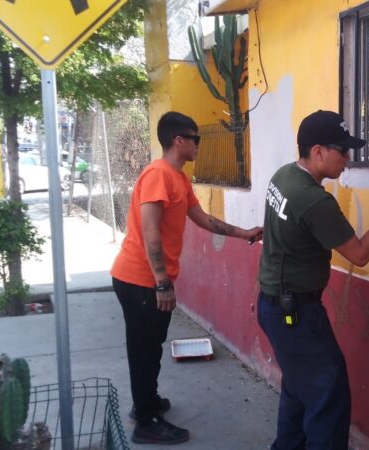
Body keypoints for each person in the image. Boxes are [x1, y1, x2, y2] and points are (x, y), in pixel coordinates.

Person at [257, 110, 369, 449]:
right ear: (317, 151)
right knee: (328, 394)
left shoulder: (283, 176)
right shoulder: (313, 200)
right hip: (295, 312)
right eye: (341, 150)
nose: (347, 159)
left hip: (276, 305)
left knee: (300, 389)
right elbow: (358, 254)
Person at [111, 111, 263, 445]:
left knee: (151, 346)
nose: (199, 145)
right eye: (196, 138)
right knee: (144, 350)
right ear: (179, 141)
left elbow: (204, 220)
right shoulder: (158, 175)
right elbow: (150, 232)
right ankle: (146, 422)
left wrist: (244, 233)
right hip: (139, 279)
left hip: (149, 280)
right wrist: (162, 283)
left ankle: (146, 404)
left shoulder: (179, 178)